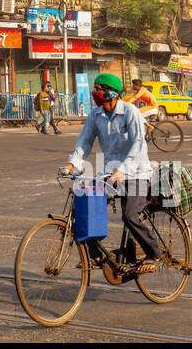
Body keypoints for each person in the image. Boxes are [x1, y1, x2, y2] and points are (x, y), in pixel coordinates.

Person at [60, 73, 162, 275]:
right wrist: (73, 164)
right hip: (109, 172)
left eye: (98, 88)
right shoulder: (95, 115)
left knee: (130, 216)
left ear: (111, 92)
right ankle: (97, 255)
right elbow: (85, 142)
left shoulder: (130, 111)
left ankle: (154, 253)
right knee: (84, 207)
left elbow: (138, 143)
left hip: (136, 172)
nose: (95, 92)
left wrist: (123, 169)